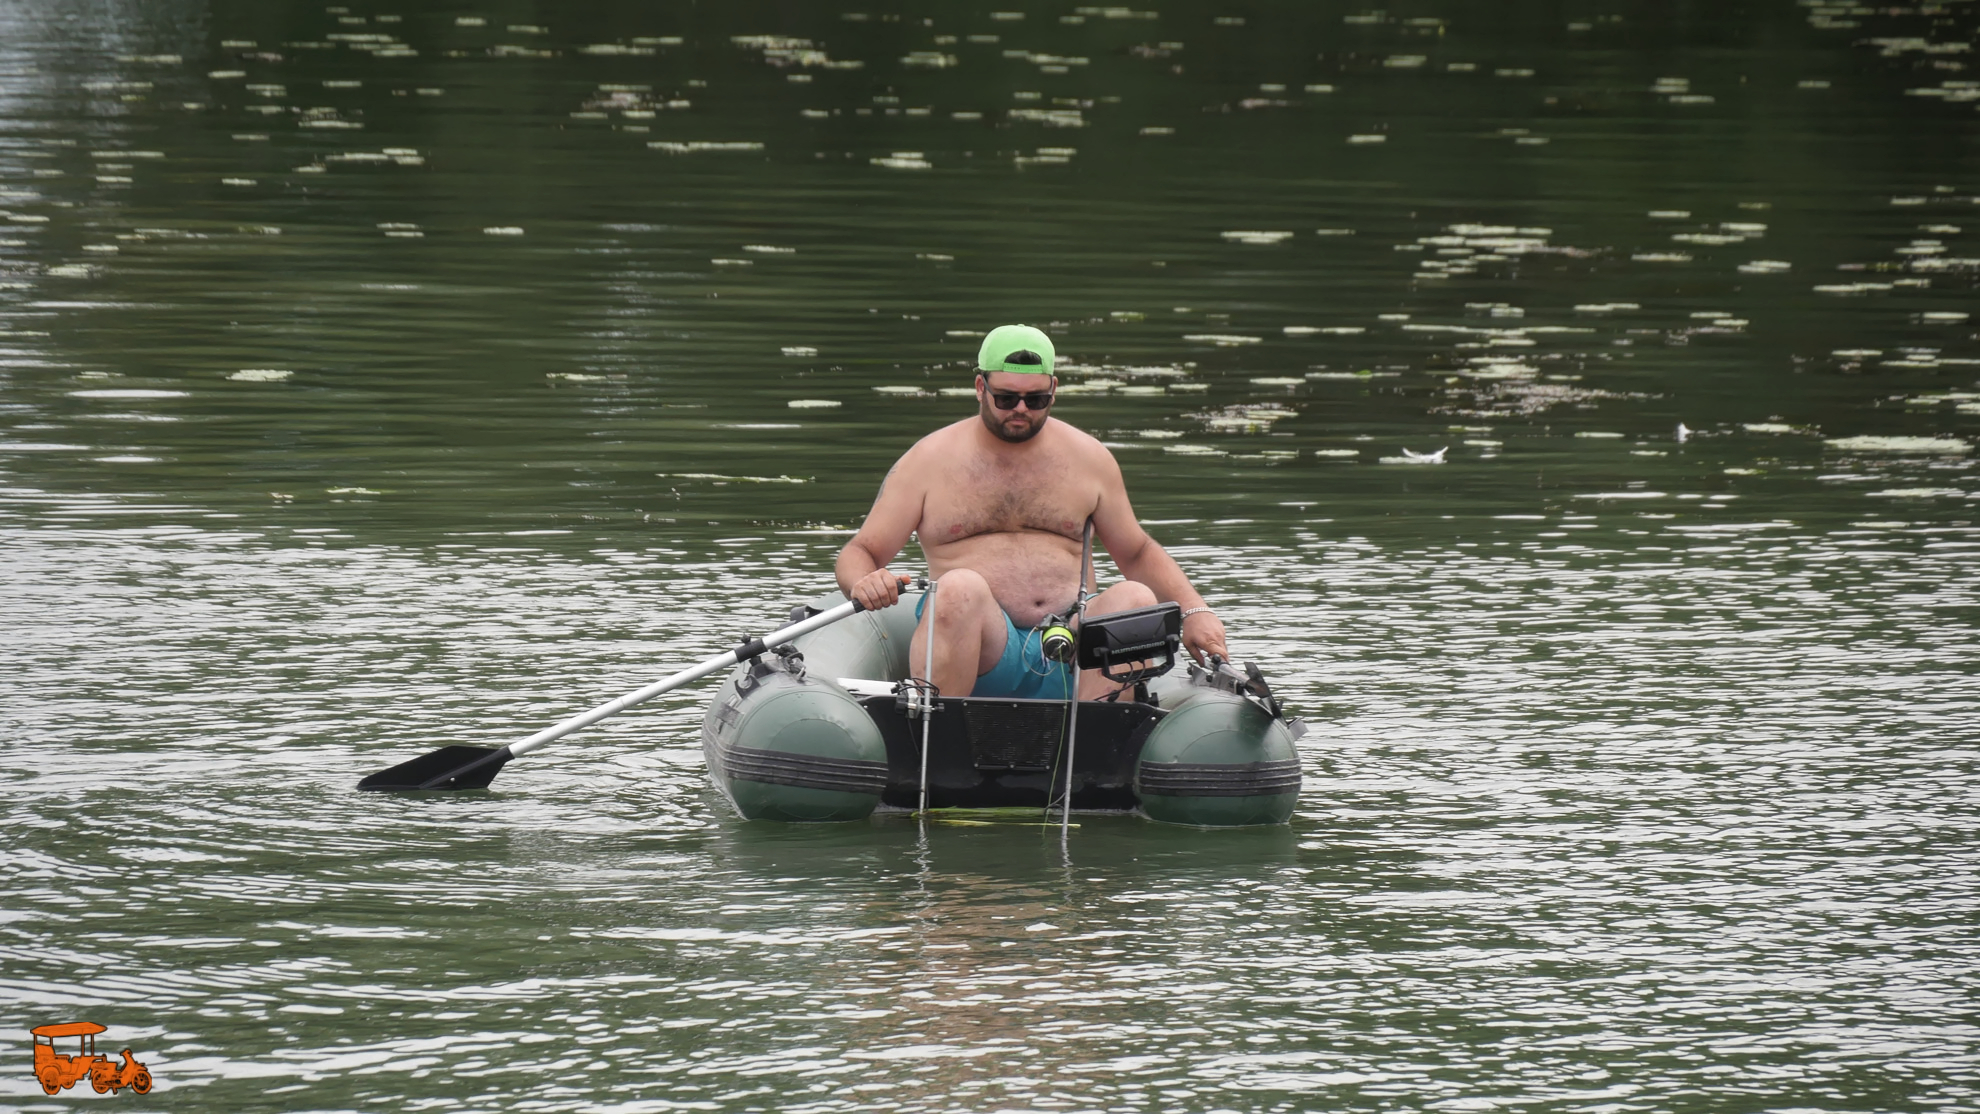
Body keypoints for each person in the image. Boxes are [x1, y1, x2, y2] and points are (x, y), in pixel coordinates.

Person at [835, 323, 1230, 700]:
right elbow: (860, 551)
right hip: (982, 651)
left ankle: (1103, 744)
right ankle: (939, 733)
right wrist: (865, 582)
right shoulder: (927, 461)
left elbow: (1136, 552)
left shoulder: (1090, 459)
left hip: (1072, 647)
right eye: (1006, 398)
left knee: (1136, 598)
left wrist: (1195, 610)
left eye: (1035, 399)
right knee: (959, 589)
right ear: (980, 387)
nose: (1020, 409)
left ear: (1053, 391)